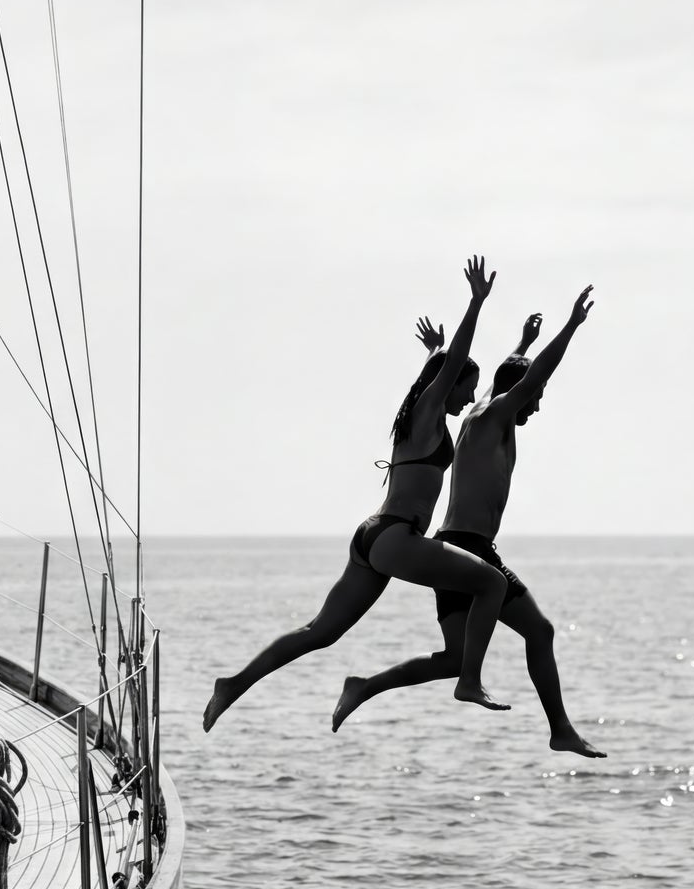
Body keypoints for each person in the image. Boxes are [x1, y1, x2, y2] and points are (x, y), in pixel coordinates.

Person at [202, 256, 513, 731]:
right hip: (397, 539)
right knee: (493, 583)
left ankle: (233, 684)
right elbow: (450, 368)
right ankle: (468, 679)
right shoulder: (428, 412)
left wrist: (438, 349)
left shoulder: (421, 416)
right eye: (464, 389)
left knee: (319, 633)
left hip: (374, 537)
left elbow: (444, 370)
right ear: (444, 385)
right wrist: (474, 305)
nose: (468, 399)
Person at [331, 285, 605, 758]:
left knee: (455, 657)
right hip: (470, 548)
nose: (536, 406)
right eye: (535, 397)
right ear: (518, 393)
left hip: (462, 543)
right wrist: (571, 328)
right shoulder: (496, 413)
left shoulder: (482, 412)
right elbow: (529, 377)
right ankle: (557, 727)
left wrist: (522, 341)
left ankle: (364, 686)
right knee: (539, 632)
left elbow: (514, 372)